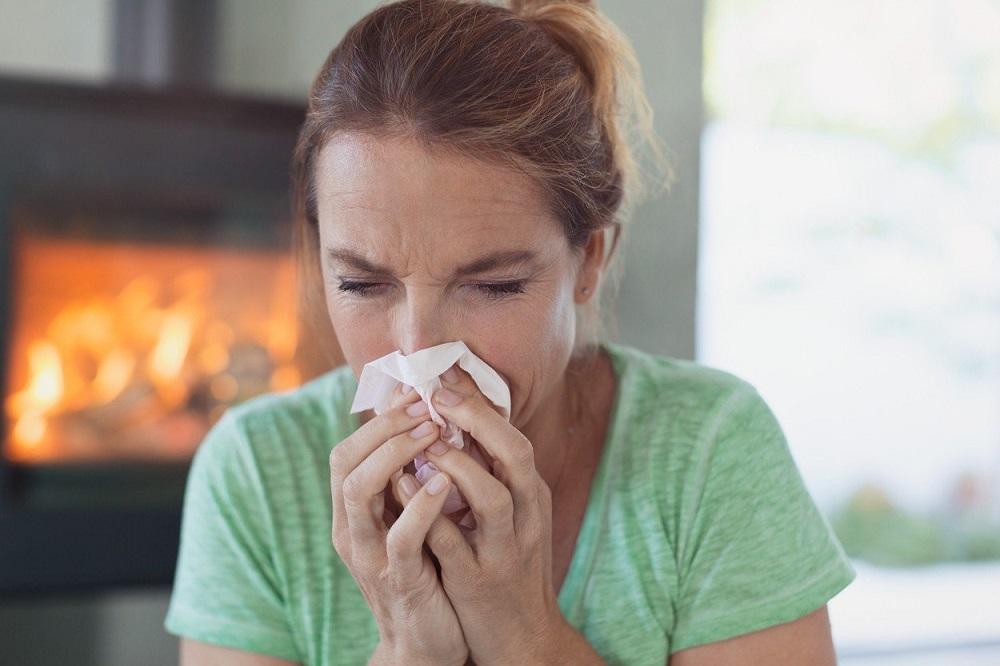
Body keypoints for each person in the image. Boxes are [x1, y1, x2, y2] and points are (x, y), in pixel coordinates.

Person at [164, 0, 856, 664]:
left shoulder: (708, 451)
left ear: (590, 261)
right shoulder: (256, 473)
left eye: (491, 286)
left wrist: (524, 636)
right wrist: (410, 651)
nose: (416, 352)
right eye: (363, 284)